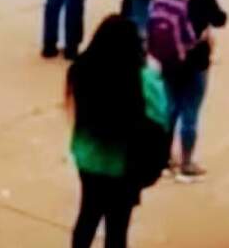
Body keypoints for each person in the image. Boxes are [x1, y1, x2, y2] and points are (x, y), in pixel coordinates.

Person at [67, 15, 169, 248]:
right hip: (124, 163)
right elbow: (160, 117)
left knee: (87, 216)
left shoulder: (82, 71)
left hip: (89, 157)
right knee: (118, 226)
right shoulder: (143, 78)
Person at [158, 0, 228, 182]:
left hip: (169, 60)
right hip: (196, 61)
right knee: (190, 111)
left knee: (170, 108)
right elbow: (220, 19)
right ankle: (186, 162)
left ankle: (164, 158)